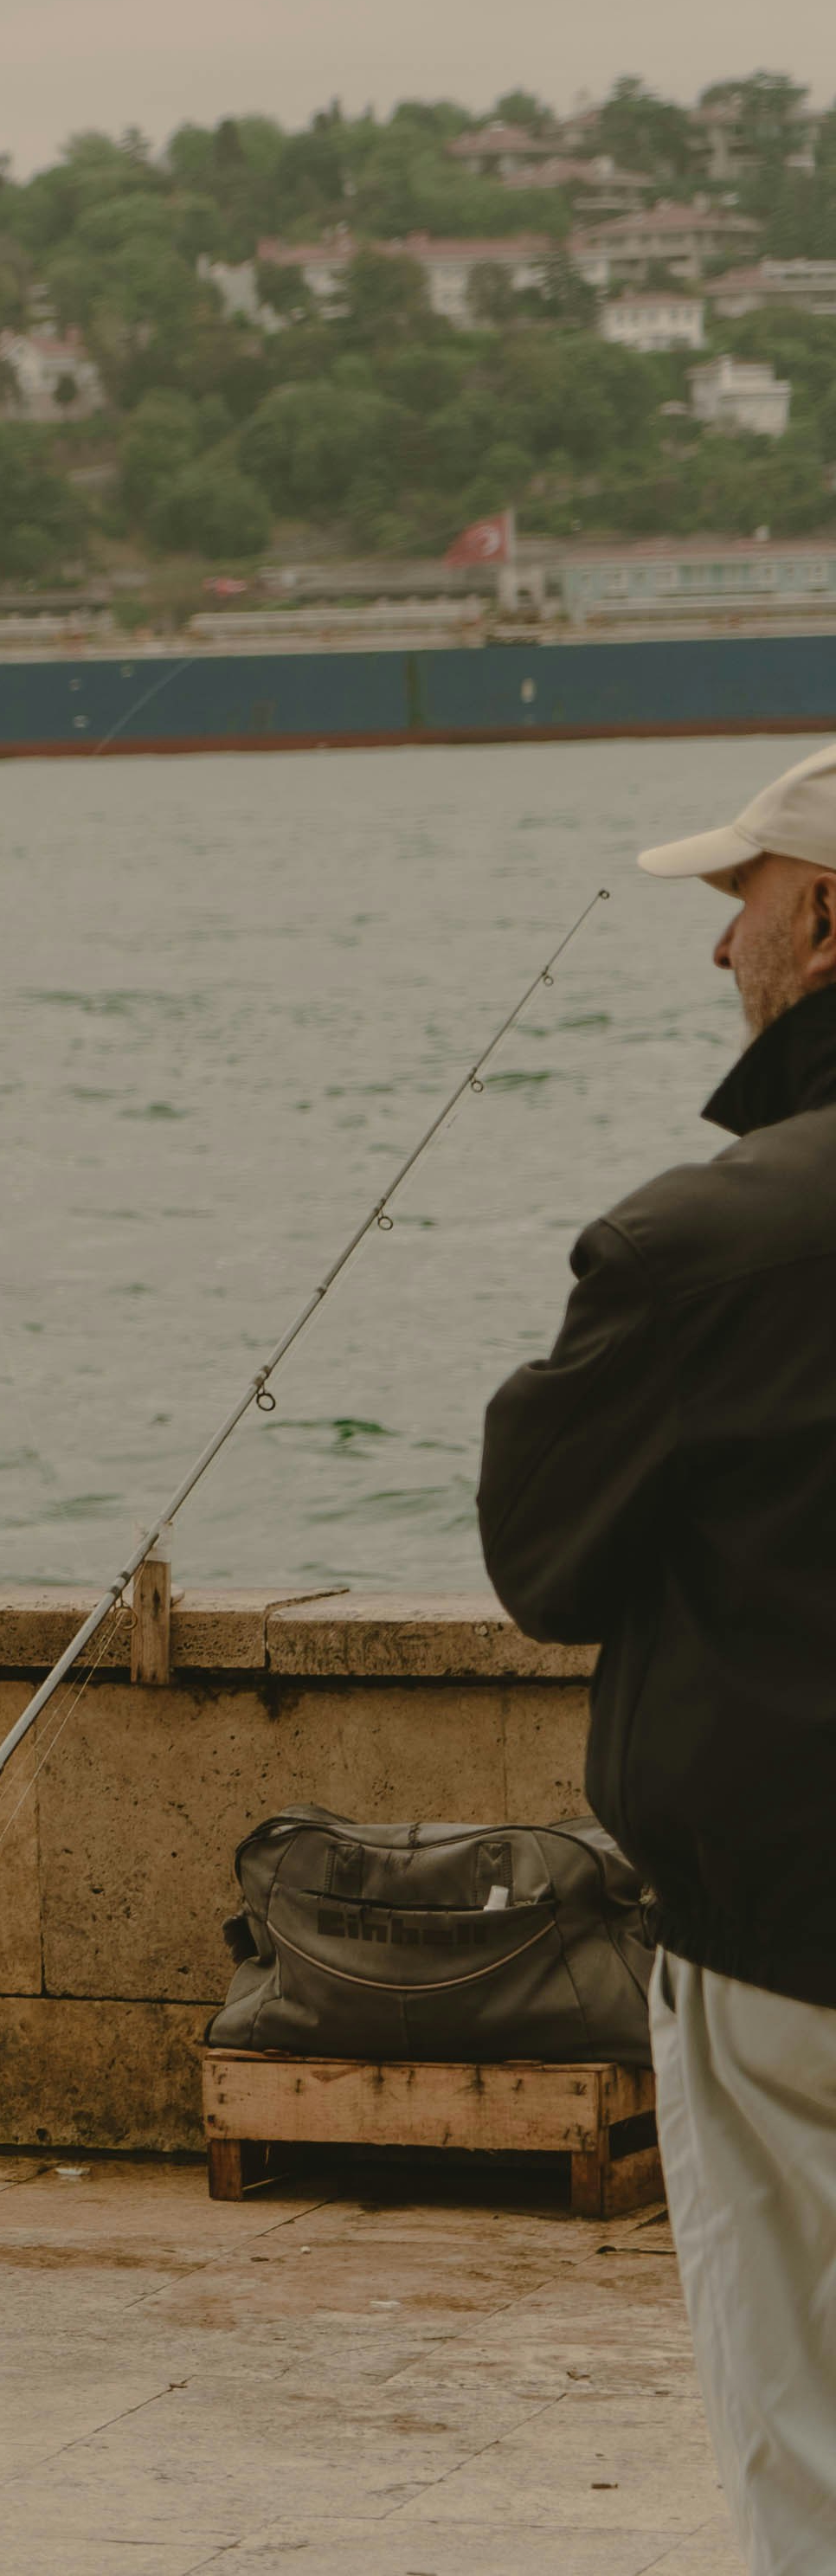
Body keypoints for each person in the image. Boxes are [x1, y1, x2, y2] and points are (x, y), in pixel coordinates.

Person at [483, 738, 836, 2565]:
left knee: (801, 2423)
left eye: (744, 902)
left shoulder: (693, 1244)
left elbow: (541, 1556)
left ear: (830, 917)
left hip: (783, 1948)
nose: (726, 952)